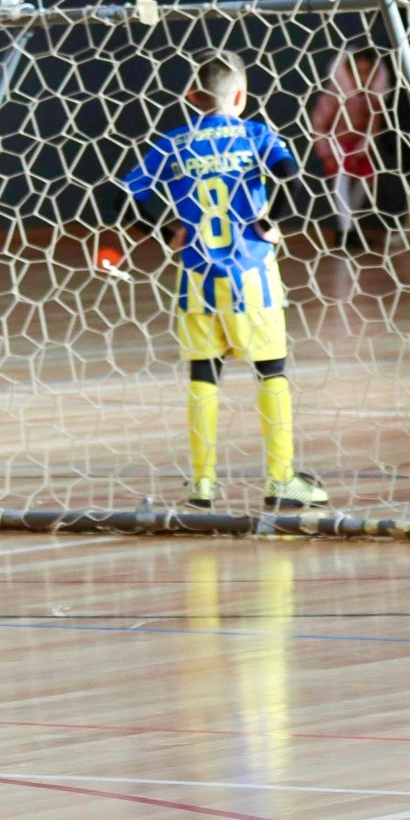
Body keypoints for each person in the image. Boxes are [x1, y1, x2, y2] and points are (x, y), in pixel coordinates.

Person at [119, 51, 326, 512]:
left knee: (202, 375)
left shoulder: (173, 142)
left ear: (193, 97)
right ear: (241, 94)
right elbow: (291, 176)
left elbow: (122, 193)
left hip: (196, 278)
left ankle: (203, 485)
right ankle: (280, 481)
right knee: (270, 371)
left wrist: (166, 229)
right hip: (252, 274)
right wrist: (275, 221)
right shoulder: (256, 135)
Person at [308, 46, 391, 243]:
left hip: (360, 146)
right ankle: (346, 230)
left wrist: (364, 146)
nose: (362, 77)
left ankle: (350, 225)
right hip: (337, 144)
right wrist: (326, 151)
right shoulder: (334, 95)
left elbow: (375, 124)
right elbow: (319, 124)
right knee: (341, 183)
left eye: (367, 72)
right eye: (358, 72)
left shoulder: (374, 98)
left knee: (364, 183)